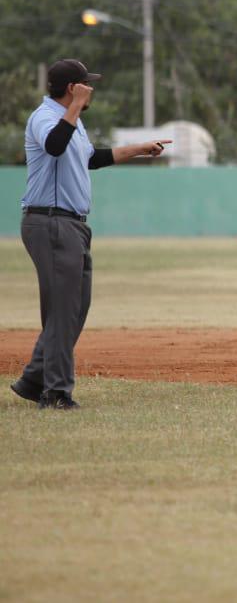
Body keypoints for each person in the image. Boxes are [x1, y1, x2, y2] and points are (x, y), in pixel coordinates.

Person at [11, 59, 169, 410]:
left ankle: (34, 377)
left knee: (74, 307)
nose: (91, 89)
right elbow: (53, 146)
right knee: (63, 309)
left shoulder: (73, 122)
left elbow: (90, 159)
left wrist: (140, 149)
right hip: (51, 222)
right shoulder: (46, 117)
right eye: (86, 85)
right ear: (73, 88)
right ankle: (55, 392)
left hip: (72, 225)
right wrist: (77, 107)